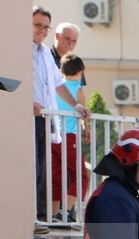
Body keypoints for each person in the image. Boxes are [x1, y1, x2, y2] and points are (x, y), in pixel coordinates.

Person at [33, 6, 88, 224]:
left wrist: (76, 106)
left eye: (45, 27)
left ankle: (49, 215)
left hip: (50, 123)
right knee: (43, 172)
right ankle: (45, 215)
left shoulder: (45, 53)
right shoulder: (23, 51)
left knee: (47, 173)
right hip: (36, 120)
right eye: (38, 25)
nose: (42, 31)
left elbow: (58, 84)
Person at [51, 54, 89, 224]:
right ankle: (65, 211)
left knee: (57, 175)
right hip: (70, 135)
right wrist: (86, 128)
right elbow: (82, 113)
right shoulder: (78, 89)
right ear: (80, 72)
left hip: (53, 135)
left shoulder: (55, 87)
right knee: (80, 176)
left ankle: (53, 214)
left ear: (61, 70)